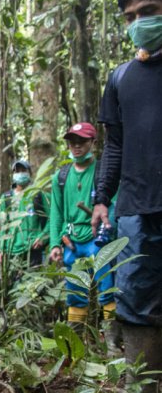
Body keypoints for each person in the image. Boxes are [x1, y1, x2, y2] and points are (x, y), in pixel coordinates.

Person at [92, 0, 162, 393]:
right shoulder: (120, 78)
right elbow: (114, 145)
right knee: (135, 303)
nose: (139, 22)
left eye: (148, 12)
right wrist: (103, 198)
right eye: (131, 17)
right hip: (135, 207)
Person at [49, 123, 115, 325]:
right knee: (75, 292)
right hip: (71, 241)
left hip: (97, 239)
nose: (76, 146)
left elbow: (114, 205)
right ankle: (76, 337)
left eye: (82, 142)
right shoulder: (61, 176)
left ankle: (111, 337)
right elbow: (56, 212)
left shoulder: (104, 172)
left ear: (93, 142)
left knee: (107, 288)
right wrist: (55, 243)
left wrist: (108, 232)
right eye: (72, 142)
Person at [0, 160, 49, 267]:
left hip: (32, 249)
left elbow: (51, 219)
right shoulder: (6, 198)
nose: (20, 174)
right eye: (17, 171)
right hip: (10, 251)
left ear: (30, 173)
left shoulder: (37, 194)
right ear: (12, 175)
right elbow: (2, 225)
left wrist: (42, 237)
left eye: (23, 170)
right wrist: (1, 249)